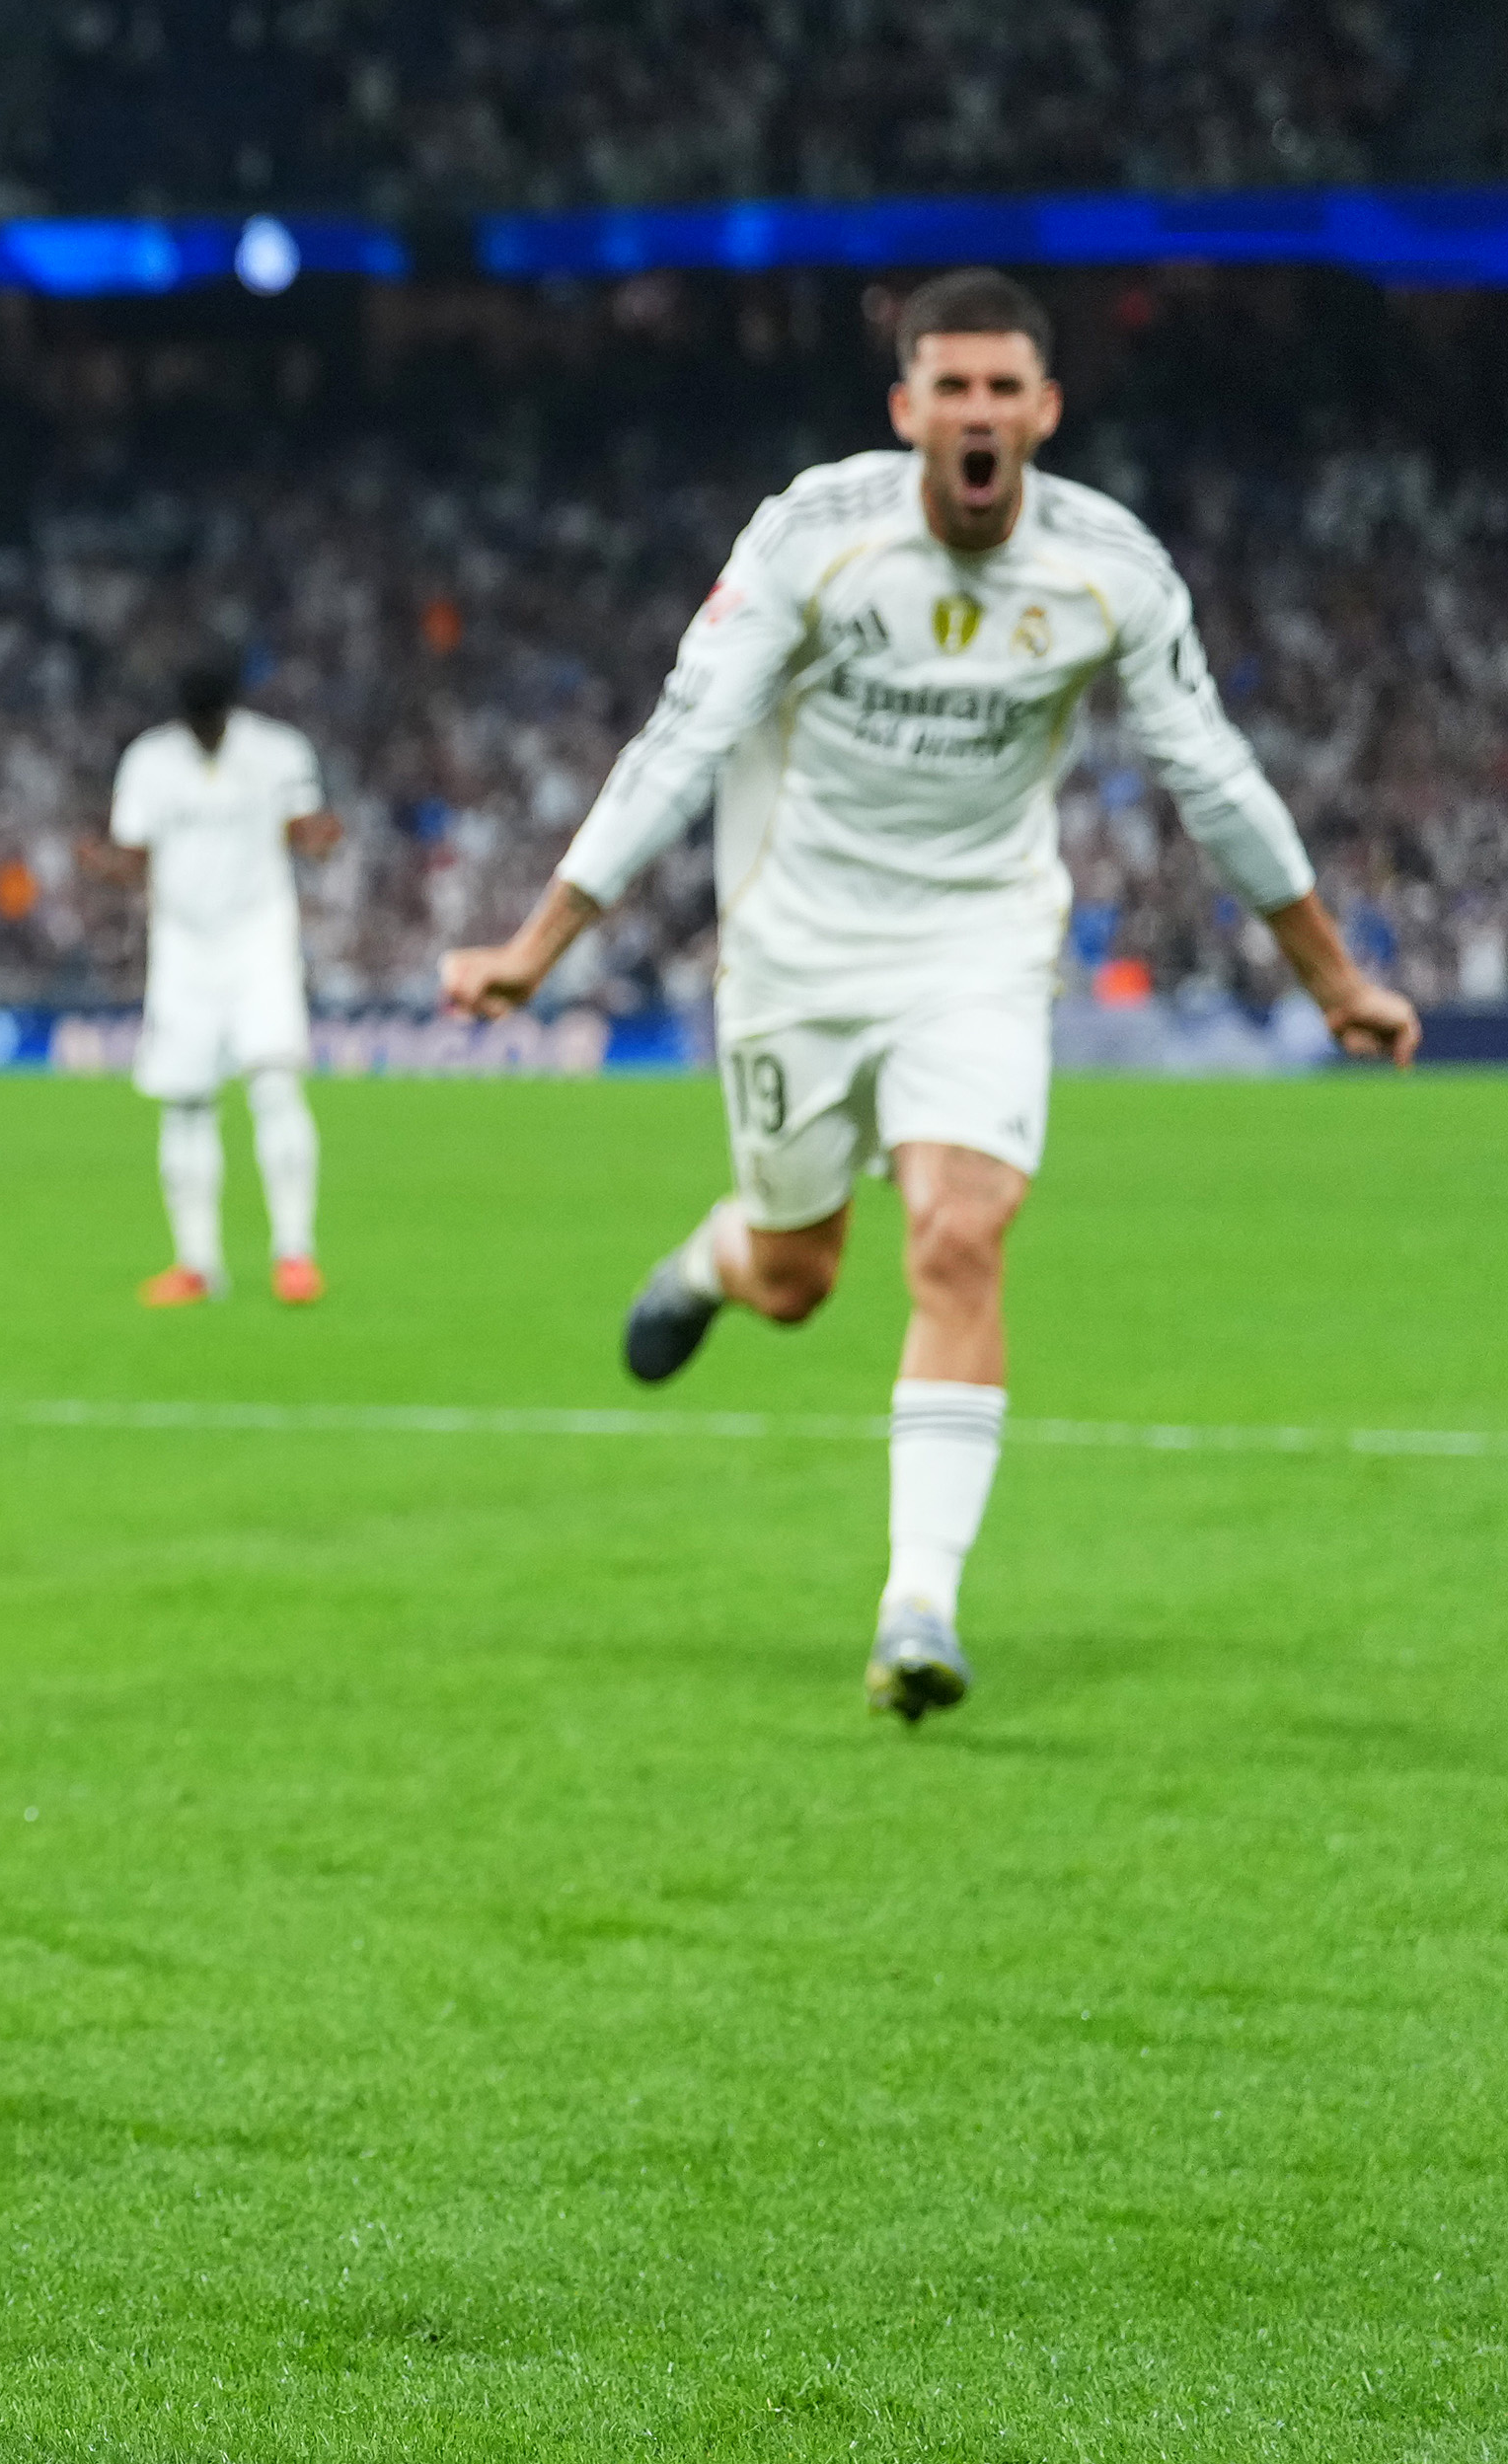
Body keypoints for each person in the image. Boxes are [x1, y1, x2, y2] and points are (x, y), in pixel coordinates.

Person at [442, 269, 1417, 1721]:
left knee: (959, 1234)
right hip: (795, 952)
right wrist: (541, 938)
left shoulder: (1111, 568)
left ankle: (918, 1604)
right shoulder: (808, 540)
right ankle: (717, 1258)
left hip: (978, 943)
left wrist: (1334, 976)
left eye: (999, 388)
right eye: (946, 387)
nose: (974, 413)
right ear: (904, 409)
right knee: (799, 1275)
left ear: (1044, 409)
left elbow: (1211, 778)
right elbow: (683, 733)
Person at [95, 653, 339, 1306]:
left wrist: (319, 839)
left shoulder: (276, 752)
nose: (204, 731)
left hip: (258, 938)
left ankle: (293, 1254)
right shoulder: (149, 761)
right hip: (181, 947)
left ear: (228, 710)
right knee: (185, 1101)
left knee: (274, 1085)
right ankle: (197, 1265)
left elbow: (303, 831)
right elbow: (133, 853)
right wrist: (103, 865)